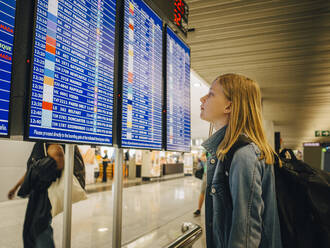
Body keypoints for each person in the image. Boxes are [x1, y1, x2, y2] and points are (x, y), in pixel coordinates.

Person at [200, 74, 282, 247]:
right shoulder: (229, 152)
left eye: (211, 94)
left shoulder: (243, 155)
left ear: (229, 106)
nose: (203, 99)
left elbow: (245, 234)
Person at [17, 142, 64, 248]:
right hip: (36, 194)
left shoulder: (53, 145)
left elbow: (59, 164)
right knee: (32, 227)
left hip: (46, 193)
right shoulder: (39, 145)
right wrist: (16, 187)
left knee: (40, 225)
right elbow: (30, 169)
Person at [194, 152, 207, 216]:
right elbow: (201, 157)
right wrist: (204, 158)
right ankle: (199, 209)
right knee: (202, 191)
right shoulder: (207, 149)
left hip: (215, 173)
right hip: (206, 173)